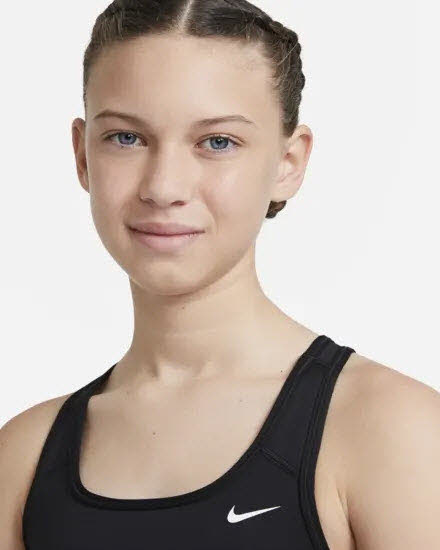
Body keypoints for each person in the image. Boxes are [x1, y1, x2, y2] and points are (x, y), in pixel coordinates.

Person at [1, 1, 439, 548]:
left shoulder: (390, 429)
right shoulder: (22, 458)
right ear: (82, 155)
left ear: (288, 163)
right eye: (126, 138)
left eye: (217, 142)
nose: (164, 187)